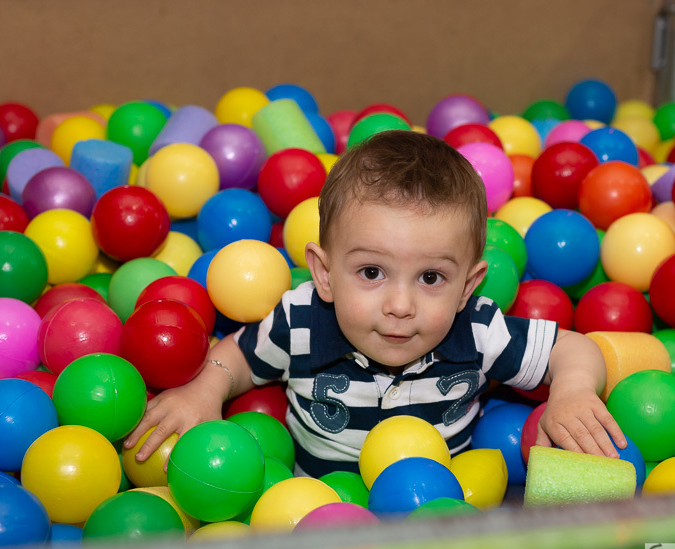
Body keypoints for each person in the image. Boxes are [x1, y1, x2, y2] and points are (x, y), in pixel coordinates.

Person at [124, 129, 626, 476]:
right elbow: (237, 356)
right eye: (371, 272)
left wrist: (573, 391)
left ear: (469, 287)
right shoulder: (302, 320)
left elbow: (573, 349)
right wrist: (205, 389)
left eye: (431, 277)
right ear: (323, 274)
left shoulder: (476, 330)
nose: (400, 305)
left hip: (430, 517)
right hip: (313, 514)